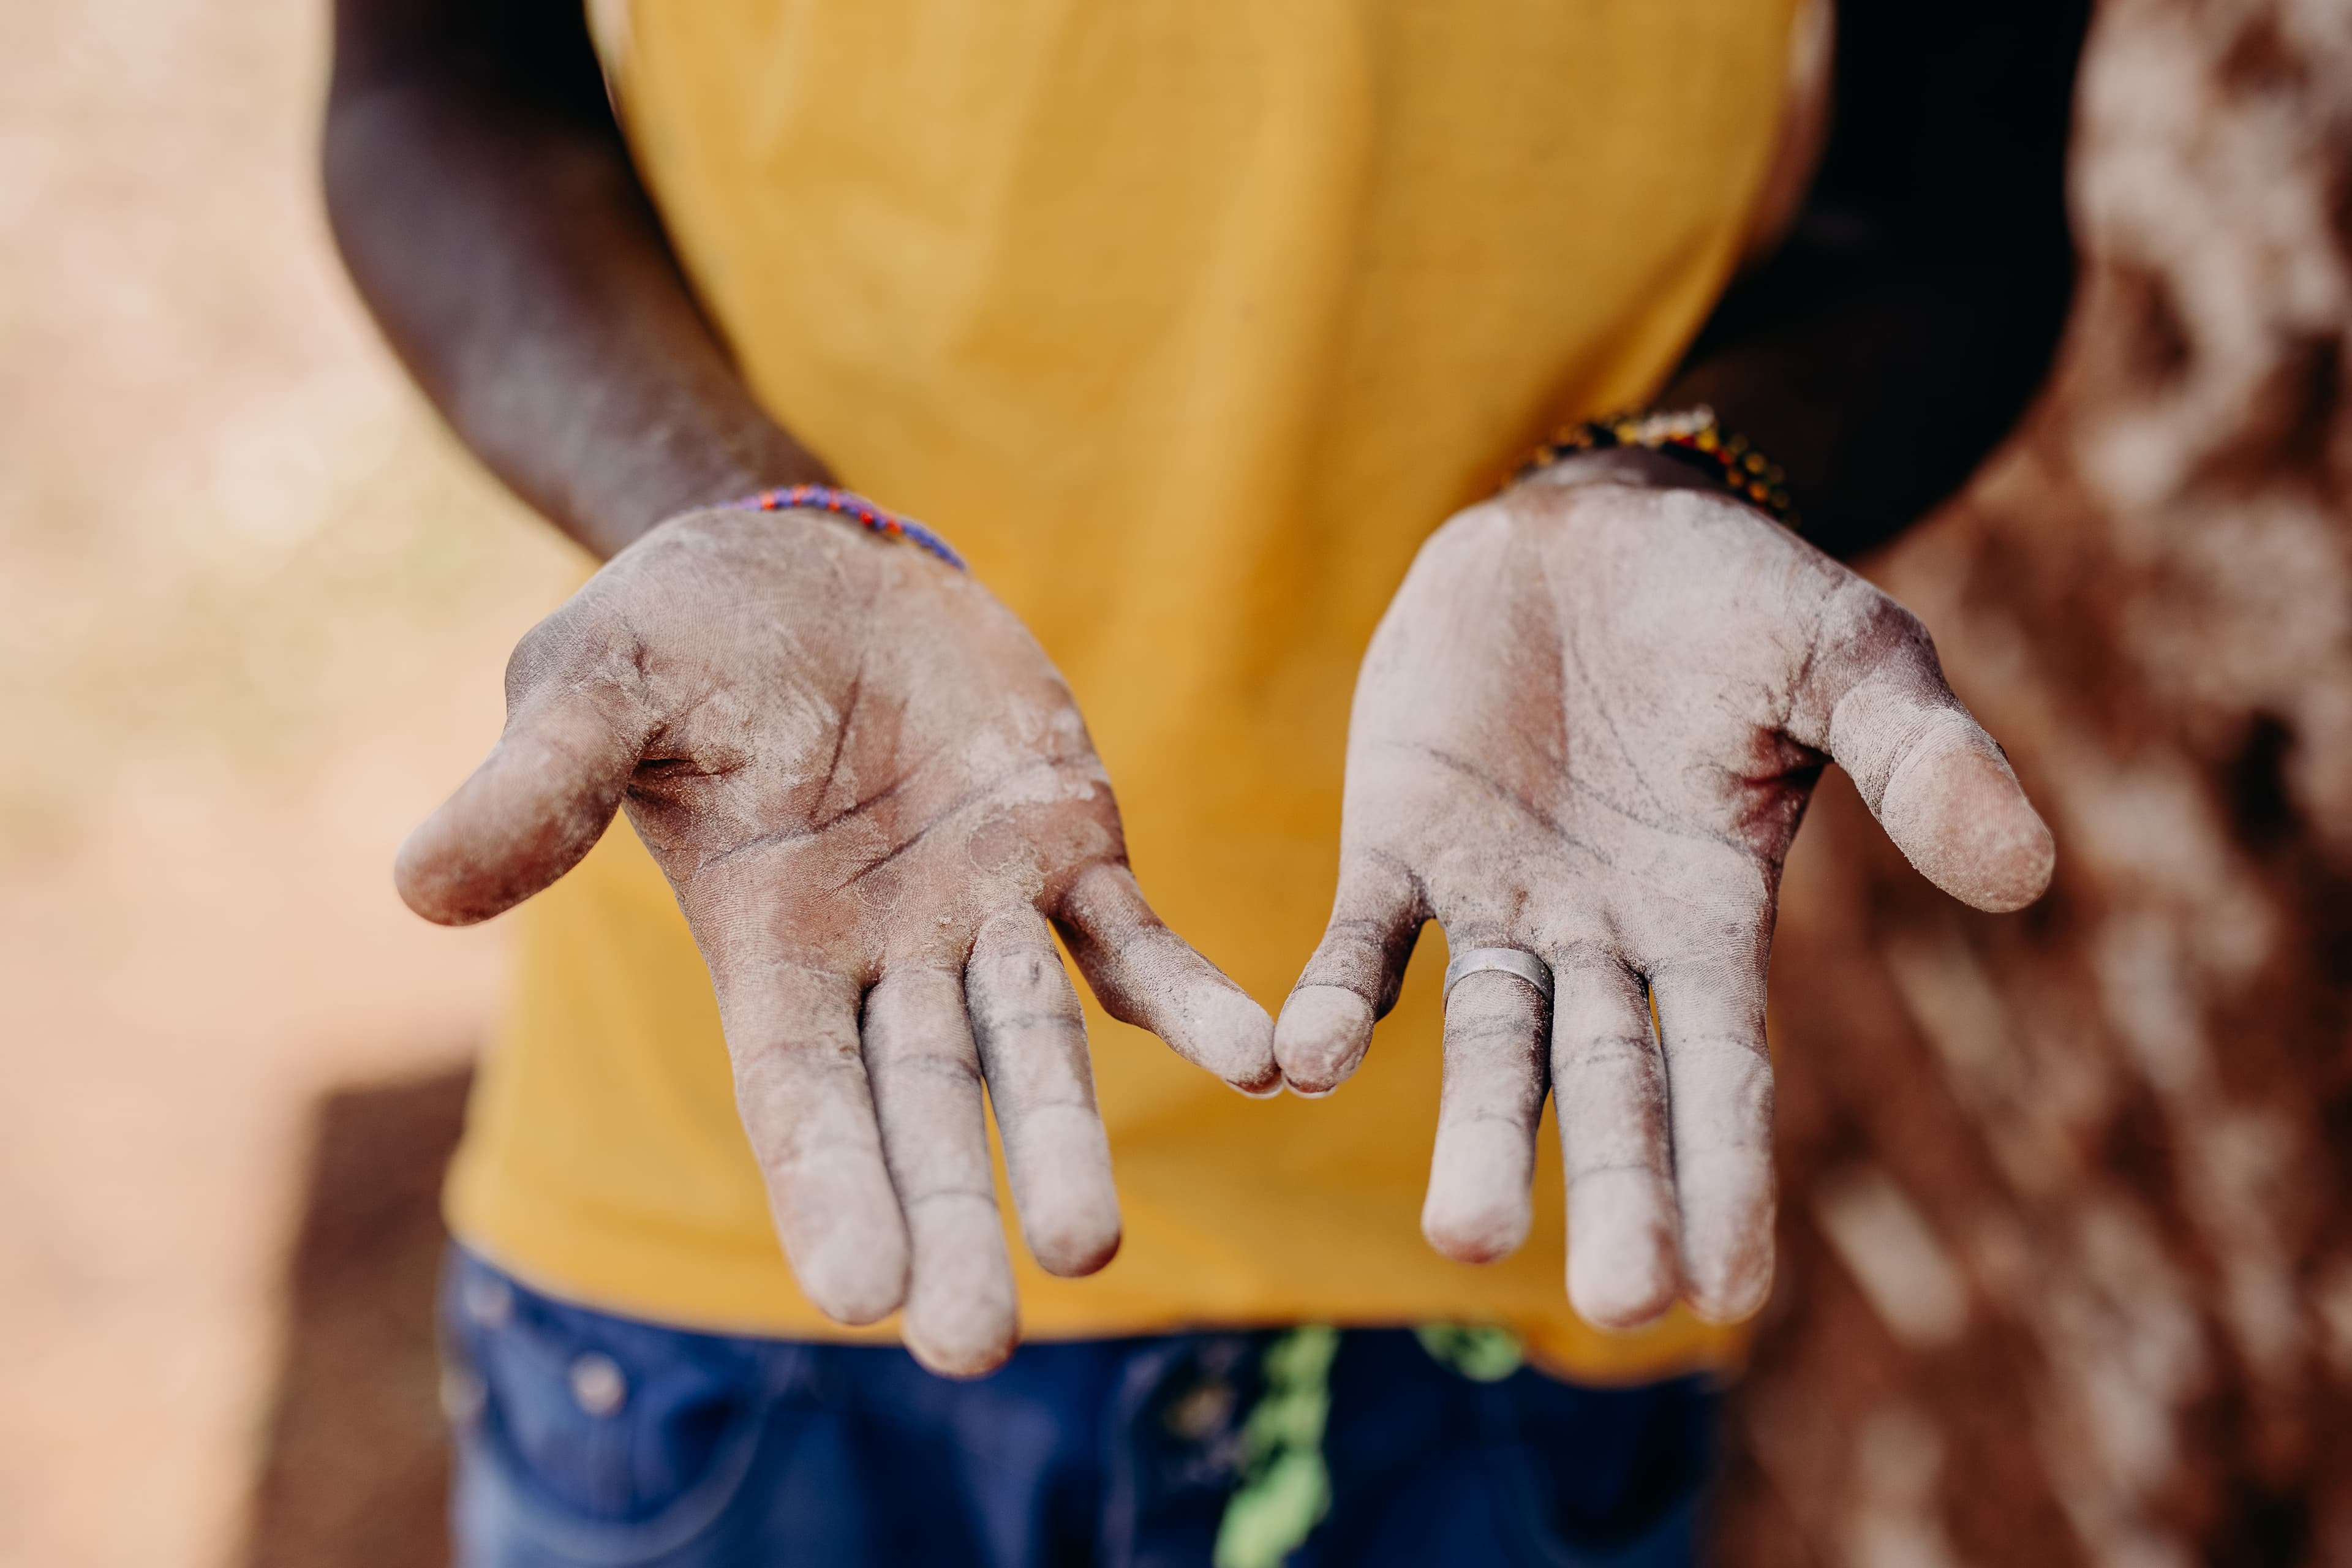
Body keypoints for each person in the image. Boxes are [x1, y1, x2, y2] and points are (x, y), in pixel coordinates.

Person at [323, 1, 2086, 1562]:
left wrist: (1672, 482)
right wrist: (736, 510)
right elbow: (440, 74)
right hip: (749, 1155)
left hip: (1493, 1232)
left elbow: (1951, 192)